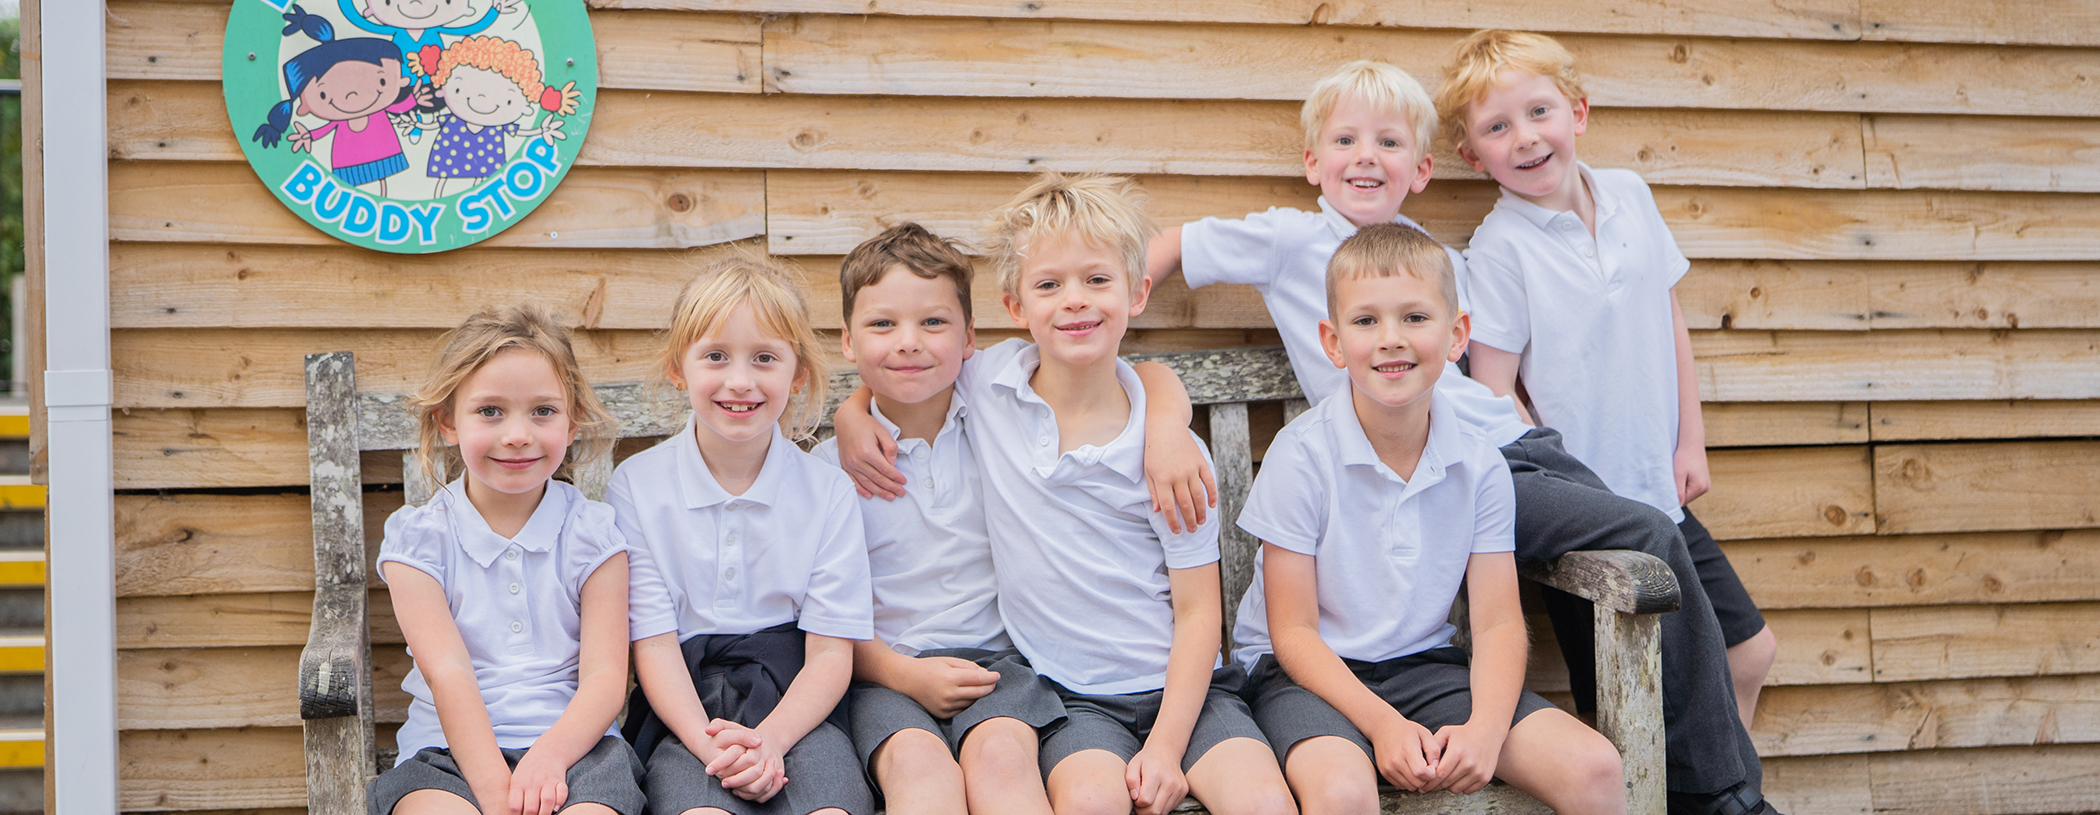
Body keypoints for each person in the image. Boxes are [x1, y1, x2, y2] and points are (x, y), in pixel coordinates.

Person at [1150, 59, 1772, 814]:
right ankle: (1720, 794)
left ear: (1422, 167)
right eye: (1346, 139)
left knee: (1633, 546)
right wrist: (1118, 311)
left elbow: (1487, 366)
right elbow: (1178, 240)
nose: (1368, 155)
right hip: (1458, 465)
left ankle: (1705, 780)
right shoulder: (1291, 240)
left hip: (1506, 450)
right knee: (1639, 532)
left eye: (1389, 140)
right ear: (1313, 161)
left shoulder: (1433, 258)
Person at [840, 173, 1295, 815]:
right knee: (1088, 803)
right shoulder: (992, 386)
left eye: (1097, 280)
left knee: (1264, 804)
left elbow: (1200, 615)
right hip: (1070, 700)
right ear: (1017, 306)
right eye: (1049, 285)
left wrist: (1165, 747)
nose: (1074, 301)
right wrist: (851, 411)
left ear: (1137, 292)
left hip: (1188, 693)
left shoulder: (1173, 456)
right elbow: (904, 365)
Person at [1437, 28, 1779, 769]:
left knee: (1748, 652)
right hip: (1591, 508)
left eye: (1538, 113)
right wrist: (1570, 493)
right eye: (1497, 127)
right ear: (1473, 155)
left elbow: (1669, 316)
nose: (1524, 138)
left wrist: (1691, 438)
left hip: (1661, 486)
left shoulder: (1629, 194)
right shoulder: (1500, 247)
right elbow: (1494, 390)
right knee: (1616, 701)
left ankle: (1708, 790)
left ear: (1578, 112)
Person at [1234, 224, 1623, 815]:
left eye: (1415, 317)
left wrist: (1486, 732)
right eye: (1366, 322)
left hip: (1424, 669)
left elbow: (1495, 626)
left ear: (1457, 335)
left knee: (1594, 769)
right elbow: (1293, 634)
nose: (1391, 339)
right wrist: (1384, 724)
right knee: (1342, 791)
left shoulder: (1480, 465)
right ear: (1333, 342)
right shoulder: (1301, 455)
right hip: (1304, 677)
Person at [812, 224, 1067, 815]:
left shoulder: (1003, 421)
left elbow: (1125, 377)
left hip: (1000, 664)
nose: (909, 342)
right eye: (882, 324)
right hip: (883, 673)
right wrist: (905, 675)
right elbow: (825, 615)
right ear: (848, 342)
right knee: (917, 769)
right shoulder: (826, 474)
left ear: (970, 336)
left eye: (933, 322)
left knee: (1003, 758)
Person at [612, 255, 875, 815]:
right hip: (685, 715)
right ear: (678, 368)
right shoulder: (637, 486)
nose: (740, 381)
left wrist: (772, 742)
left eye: (764, 358)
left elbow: (830, 653)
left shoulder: (826, 491)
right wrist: (714, 746)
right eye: (715, 356)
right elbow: (653, 644)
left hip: (798, 706)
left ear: (796, 372)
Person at [369, 304, 646, 815]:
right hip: (445, 754)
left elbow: (607, 679)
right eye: (490, 411)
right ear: (447, 422)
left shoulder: (593, 534)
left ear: (573, 420)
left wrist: (550, 759)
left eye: (542, 411)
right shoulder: (420, 541)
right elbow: (447, 672)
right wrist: (498, 796)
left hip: (579, 751)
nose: (517, 434)